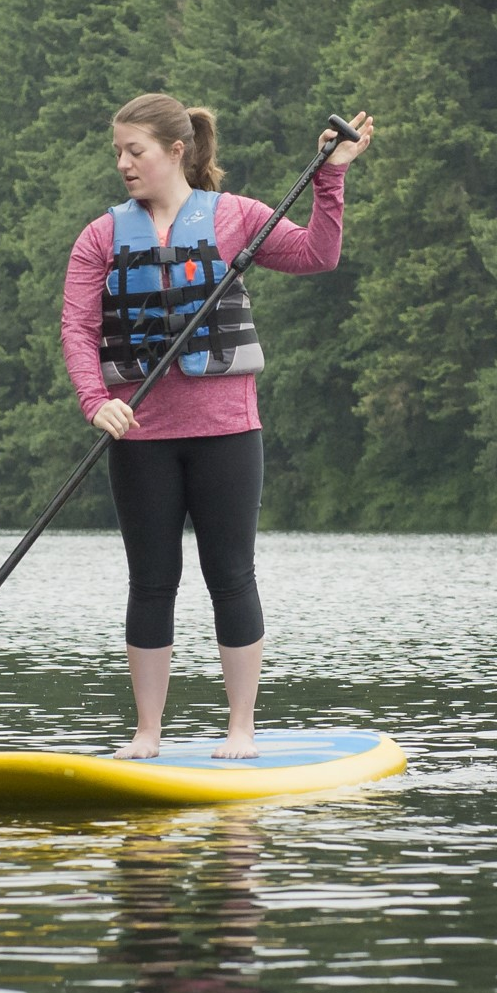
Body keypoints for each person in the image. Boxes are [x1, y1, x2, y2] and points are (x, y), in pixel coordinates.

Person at [62, 94, 374, 760]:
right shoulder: (101, 236)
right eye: (118, 152)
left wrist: (331, 175)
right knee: (151, 579)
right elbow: (78, 329)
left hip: (228, 431)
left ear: (176, 151)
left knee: (230, 574)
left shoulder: (236, 219)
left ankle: (241, 728)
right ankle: (147, 732)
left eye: (134, 150)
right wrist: (96, 401)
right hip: (140, 435)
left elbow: (318, 254)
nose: (123, 163)